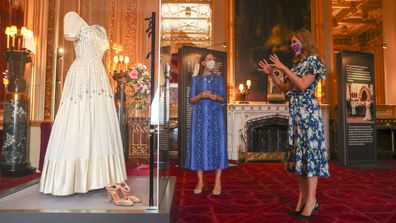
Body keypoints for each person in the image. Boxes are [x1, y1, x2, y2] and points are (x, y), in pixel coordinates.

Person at [39, 11, 139, 206]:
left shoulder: (101, 30)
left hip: (99, 76)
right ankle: (69, 179)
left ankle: (107, 180)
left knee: (100, 125)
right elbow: (69, 33)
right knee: (79, 120)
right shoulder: (72, 18)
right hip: (82, 75)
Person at [258, 29, 330, 220]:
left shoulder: (314, 61)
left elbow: (302, 85)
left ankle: (311, 201)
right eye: (291, 42)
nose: (292, 45)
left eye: (294, 42)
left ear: (304, 41)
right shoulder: (298, 64)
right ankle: (302, 199)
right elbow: (287, 89)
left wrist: (283, 68)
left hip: (309, 116)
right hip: (297, 116)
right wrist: (272, 75)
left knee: (311, 158)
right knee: (301, 159)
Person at [185, 53, 228, 195]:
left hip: (216, 115)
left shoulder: (219, 79)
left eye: (213, 59)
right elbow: (191, 99)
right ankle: (200, 181)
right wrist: (201, 96)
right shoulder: (195, 80)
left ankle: (218, 181)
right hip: (200, 116)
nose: (212, 61)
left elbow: (223, 99)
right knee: (199, 145)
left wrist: (216, 97)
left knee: (218, 145)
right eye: (209, 59)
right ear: (203, 63)